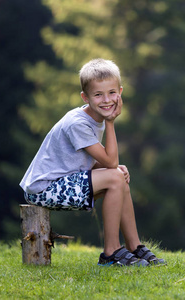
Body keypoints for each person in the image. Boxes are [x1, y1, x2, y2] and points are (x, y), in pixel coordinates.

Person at [20, 58, 165, 267]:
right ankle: (111, 252)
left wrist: (112, 168)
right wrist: (111, 124)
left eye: (112, 93)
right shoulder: (78, 123)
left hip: (62, 181)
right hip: (43, 189)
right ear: (85, 97)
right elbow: (110, 160)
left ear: (120, 92)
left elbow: (83, 161)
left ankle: (135, 246)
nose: (106, 100)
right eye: (98, 94)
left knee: (119, 178)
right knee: (115, 176)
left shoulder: (95, 117)